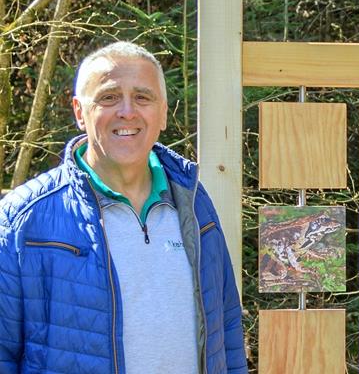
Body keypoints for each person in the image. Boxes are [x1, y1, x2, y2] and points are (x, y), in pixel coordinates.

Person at [0, 41, 247, 373]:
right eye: (108, 97)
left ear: (162, 112)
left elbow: (227, 330)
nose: (127, 112)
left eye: (143, 97)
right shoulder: (23, 219)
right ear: (79, 112)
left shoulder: (194, 203)